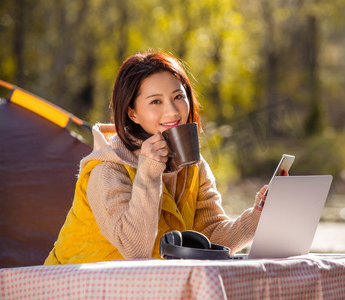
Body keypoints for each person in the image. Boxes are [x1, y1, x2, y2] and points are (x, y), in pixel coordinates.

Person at [44, 51, 269, 264]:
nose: (172, 111)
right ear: (132, 113)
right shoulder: (107, 171)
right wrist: (148, 173)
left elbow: (211, 240)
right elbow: (135, 250)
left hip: (144, 287)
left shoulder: (194, 167)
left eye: (178, 96)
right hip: (75, 287)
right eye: (155, 101)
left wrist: (259, 216)